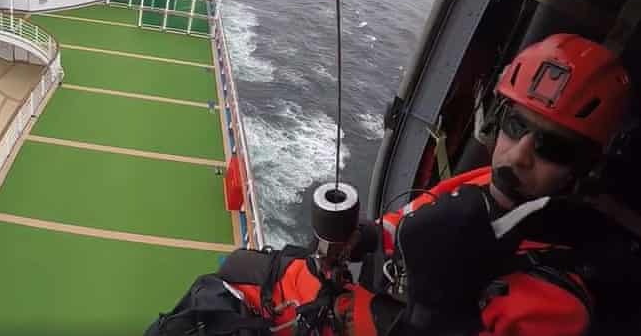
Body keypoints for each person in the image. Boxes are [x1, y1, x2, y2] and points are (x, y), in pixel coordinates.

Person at [146, 33, 637, 336]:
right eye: (514, 125)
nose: (520, 154)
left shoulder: (560, 299)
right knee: (229, 275)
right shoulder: (484, 186)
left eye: (553, 147)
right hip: (343, 306)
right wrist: (362, 237)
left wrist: (437, 312)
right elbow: (399, 228)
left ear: (584, 168)